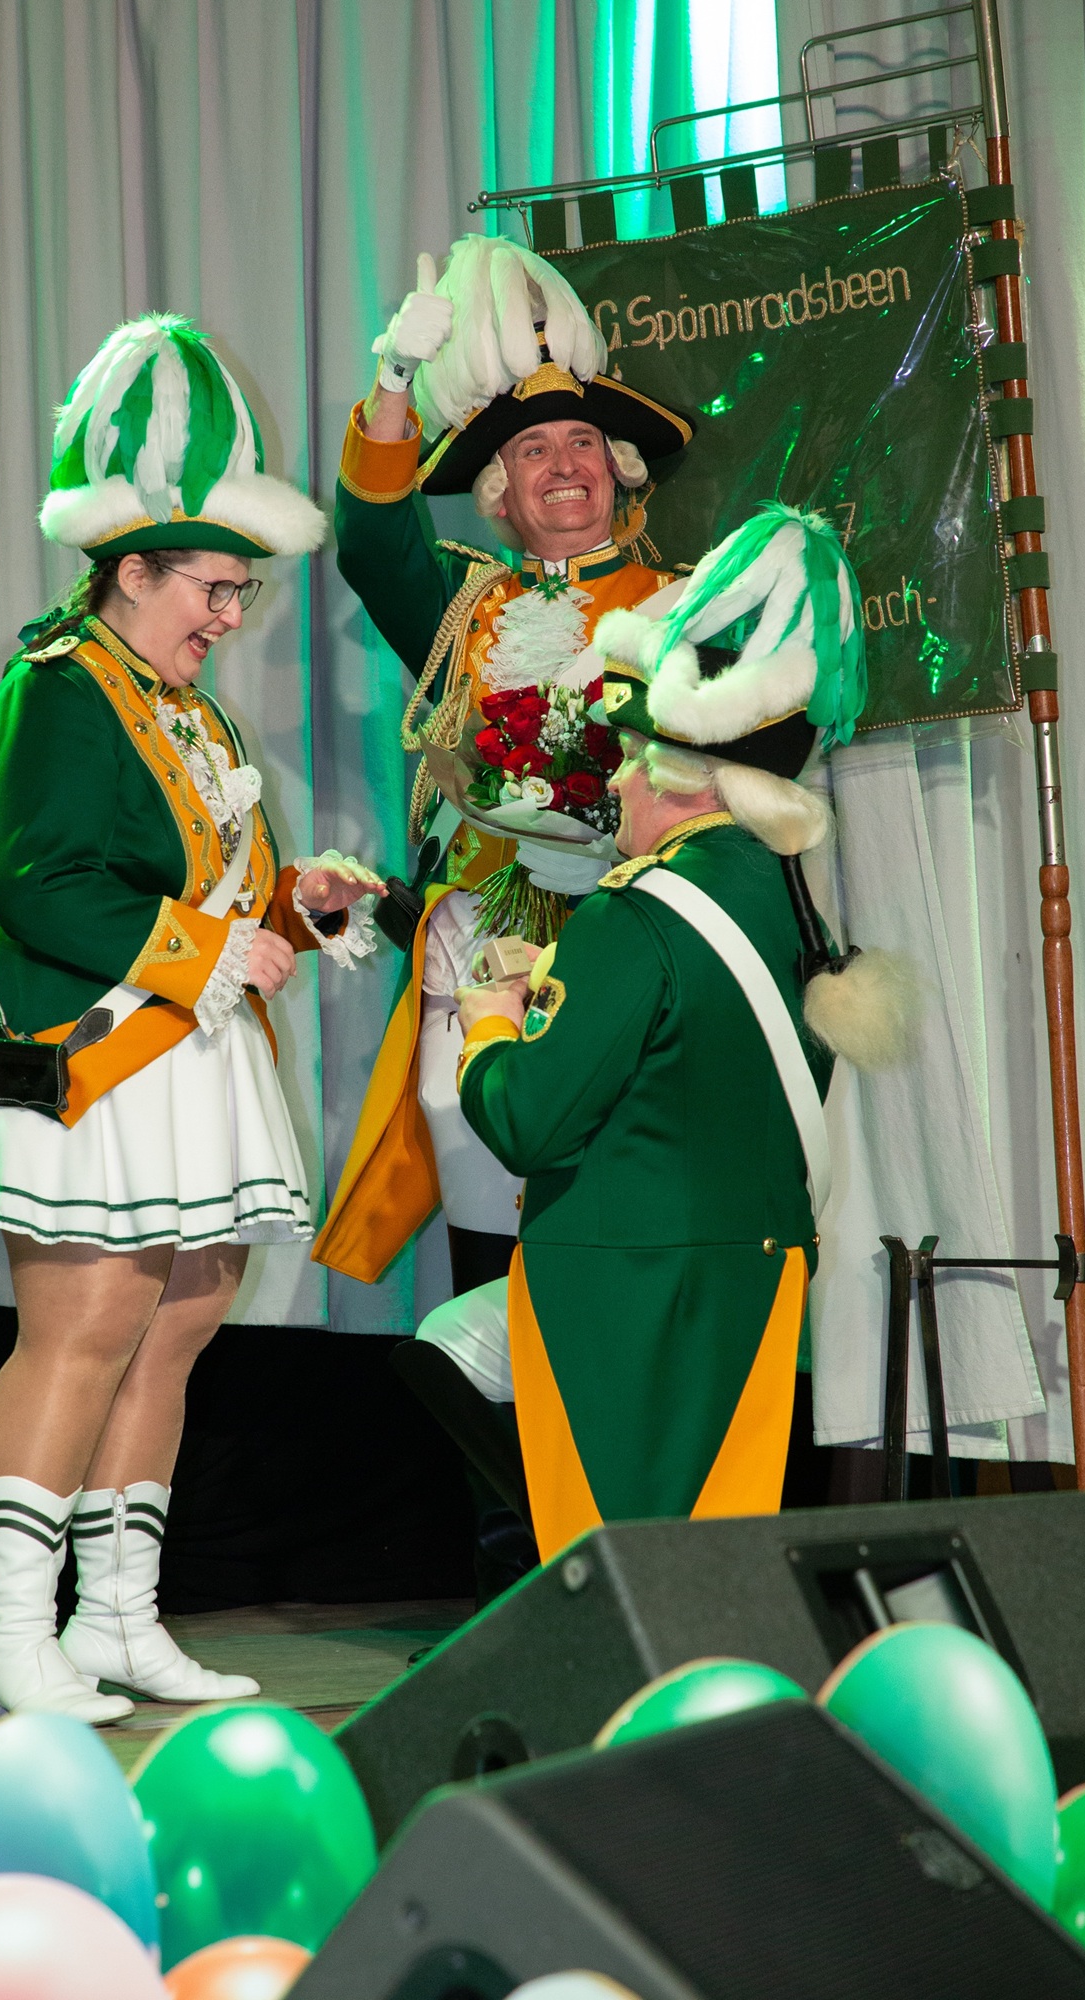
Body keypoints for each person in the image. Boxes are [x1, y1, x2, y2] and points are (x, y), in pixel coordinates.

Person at [0, 314, 384, 1724]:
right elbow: (39, 884)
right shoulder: (55, 692)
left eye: (240, 591)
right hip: (76, 1053)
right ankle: (8, 1639)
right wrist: (215, 945)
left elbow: (210, 894)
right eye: (212, 588)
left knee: (179, 1323)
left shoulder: (194, 717)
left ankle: (115, 1618)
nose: (229, 615)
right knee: (86, 1325)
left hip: (182, 1058)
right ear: (131, 568)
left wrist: (297, 907)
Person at [425, 505, 907, 1558]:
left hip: (623, 1285)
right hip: (755, 1276)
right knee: (714, 1556)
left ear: (671, 776)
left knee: (614, 1558)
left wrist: (488, 1024)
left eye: (630, 759)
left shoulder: (631, 915)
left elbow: (527, 1121)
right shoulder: (790, 904)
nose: (614, 782)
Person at [311, 235, 695, 1304]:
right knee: (490, 1257)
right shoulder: (465, 607)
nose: (564, 464)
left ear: (619, 471)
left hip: (629, 963)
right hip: (479, 968)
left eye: (582, 442)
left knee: (615, 1246)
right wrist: (394, 380)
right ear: (497, 489)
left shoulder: (682, 607)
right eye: (533, 450)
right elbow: (371, 544)